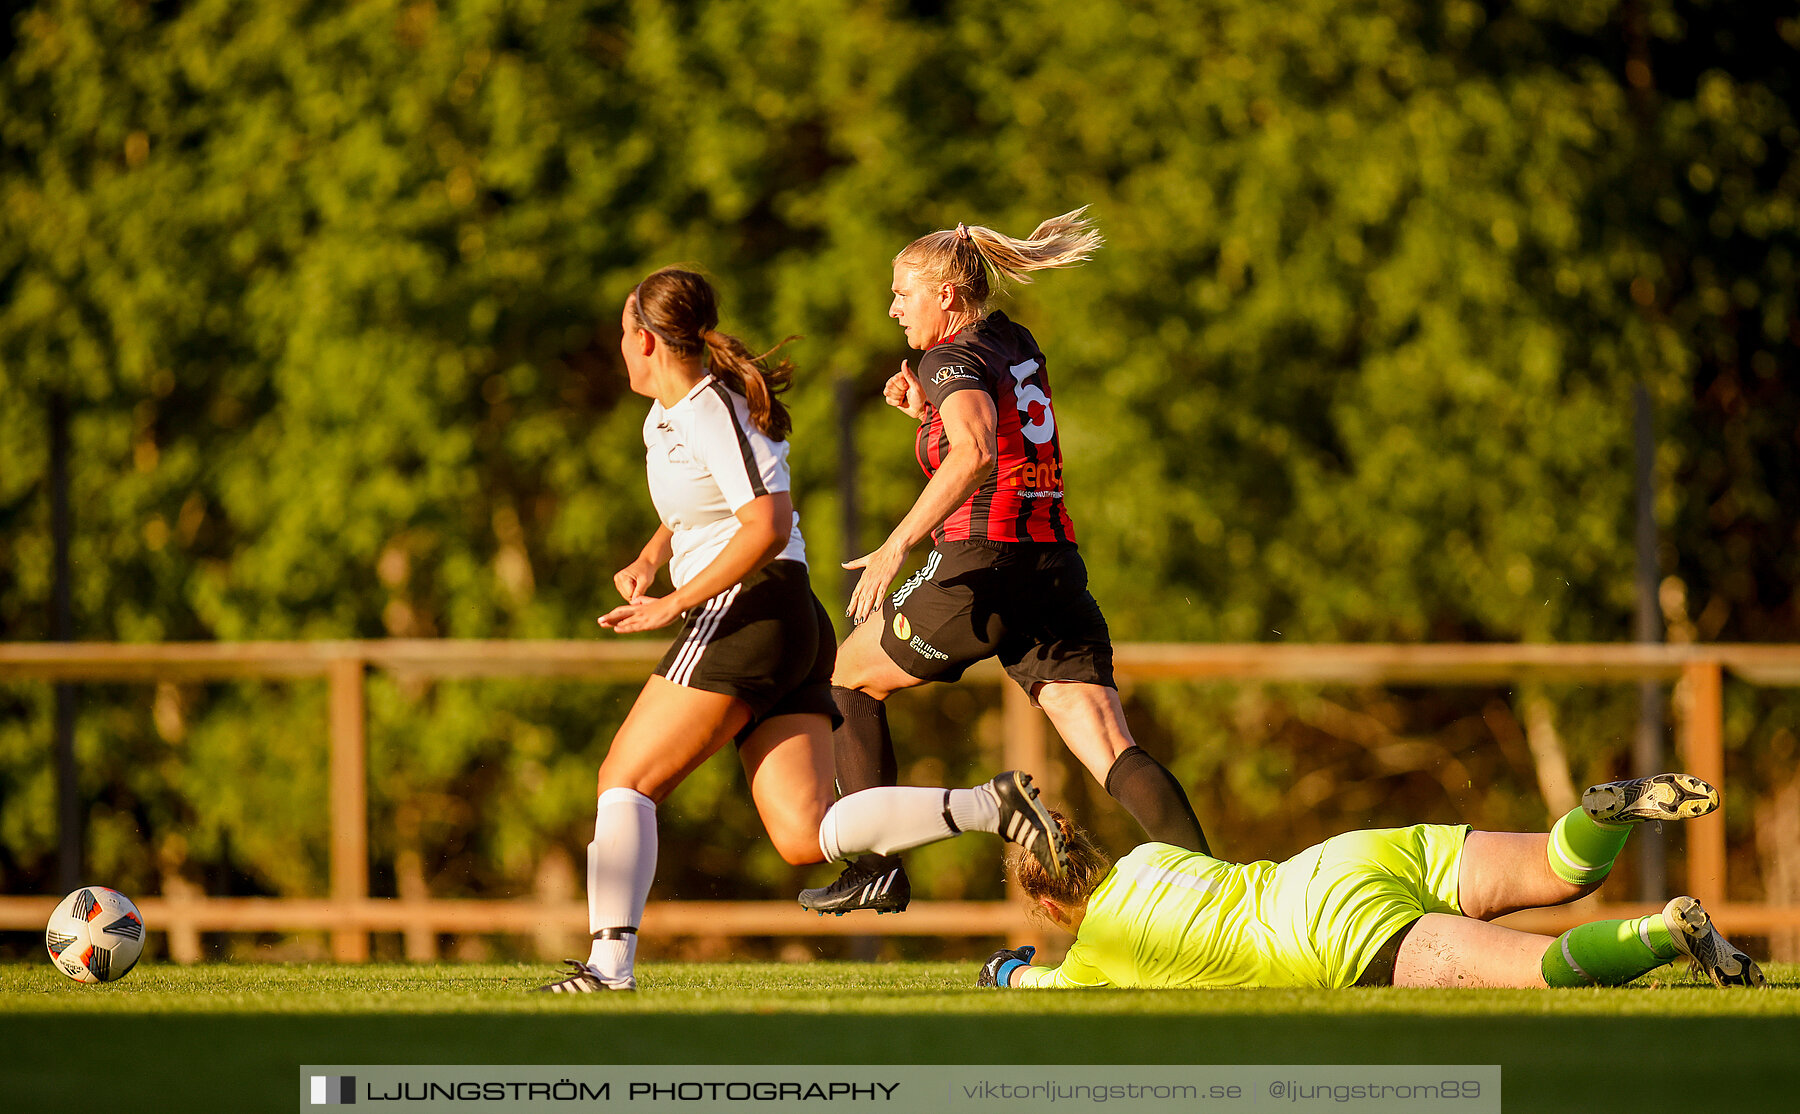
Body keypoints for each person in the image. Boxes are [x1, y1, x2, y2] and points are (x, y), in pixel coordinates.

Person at [537, 269, 1065, 992]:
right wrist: (652, 554)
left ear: (643, 339)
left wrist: (671, 603)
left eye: (622, 334)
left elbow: (767, 523)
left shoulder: (704, 409)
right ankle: (991, 805)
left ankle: (608, 968)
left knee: (623, 781)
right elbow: (711, 498)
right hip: (788, 620)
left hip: (752, 609)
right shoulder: (675, 413)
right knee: (803, 831)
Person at [802, 209, 1208, 916]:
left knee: (847, 679)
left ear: (947, 298)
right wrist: (926, 411)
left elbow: (977, 453)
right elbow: (998, 437)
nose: (894, 308)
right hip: (1051, 567)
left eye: (904, 293)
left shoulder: (947, 358)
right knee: (1113, 749)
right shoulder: (1010, 340)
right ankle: (1223, 896)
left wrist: (897, 544)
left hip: (983, 565)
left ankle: (877, 865)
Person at [977, 773, 1767, 991]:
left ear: (1050, 904)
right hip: (1341, 859)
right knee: (1557, 871)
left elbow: (1030, 988)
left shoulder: (1094, 958)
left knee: (1536, 969)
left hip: (1332, 932)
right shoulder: (1151, 860)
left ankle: (1667, 932)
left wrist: (1007, 969)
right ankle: (1610, 812)